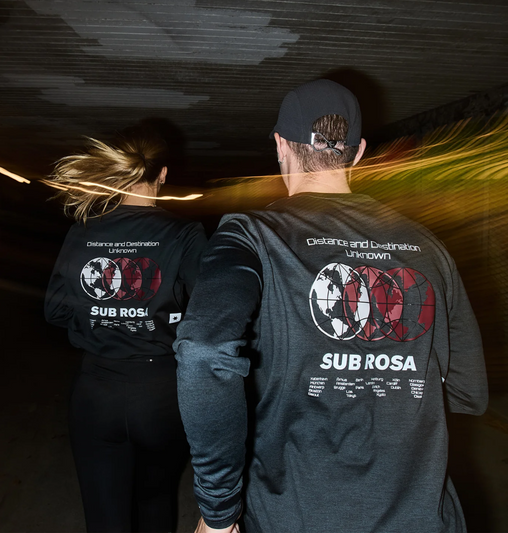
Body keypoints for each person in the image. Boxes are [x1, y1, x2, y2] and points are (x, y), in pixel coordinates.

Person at [174, 79, 489, 533]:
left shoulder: (252, 235)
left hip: (293, 516)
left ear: (281, 146)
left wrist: (218, 511)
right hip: (421, 517)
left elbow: (204, 350)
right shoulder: (429, 246)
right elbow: (467, 392)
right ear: (357, 153)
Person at [44, 130, 207, 532]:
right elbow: (211, 314)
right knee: (156, 500)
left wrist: (102, 319)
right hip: (161, 394)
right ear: (162, 174)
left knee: (105, 515)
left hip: (97, 391)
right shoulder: (185, 234)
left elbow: (55, 311)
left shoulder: (84, 230)